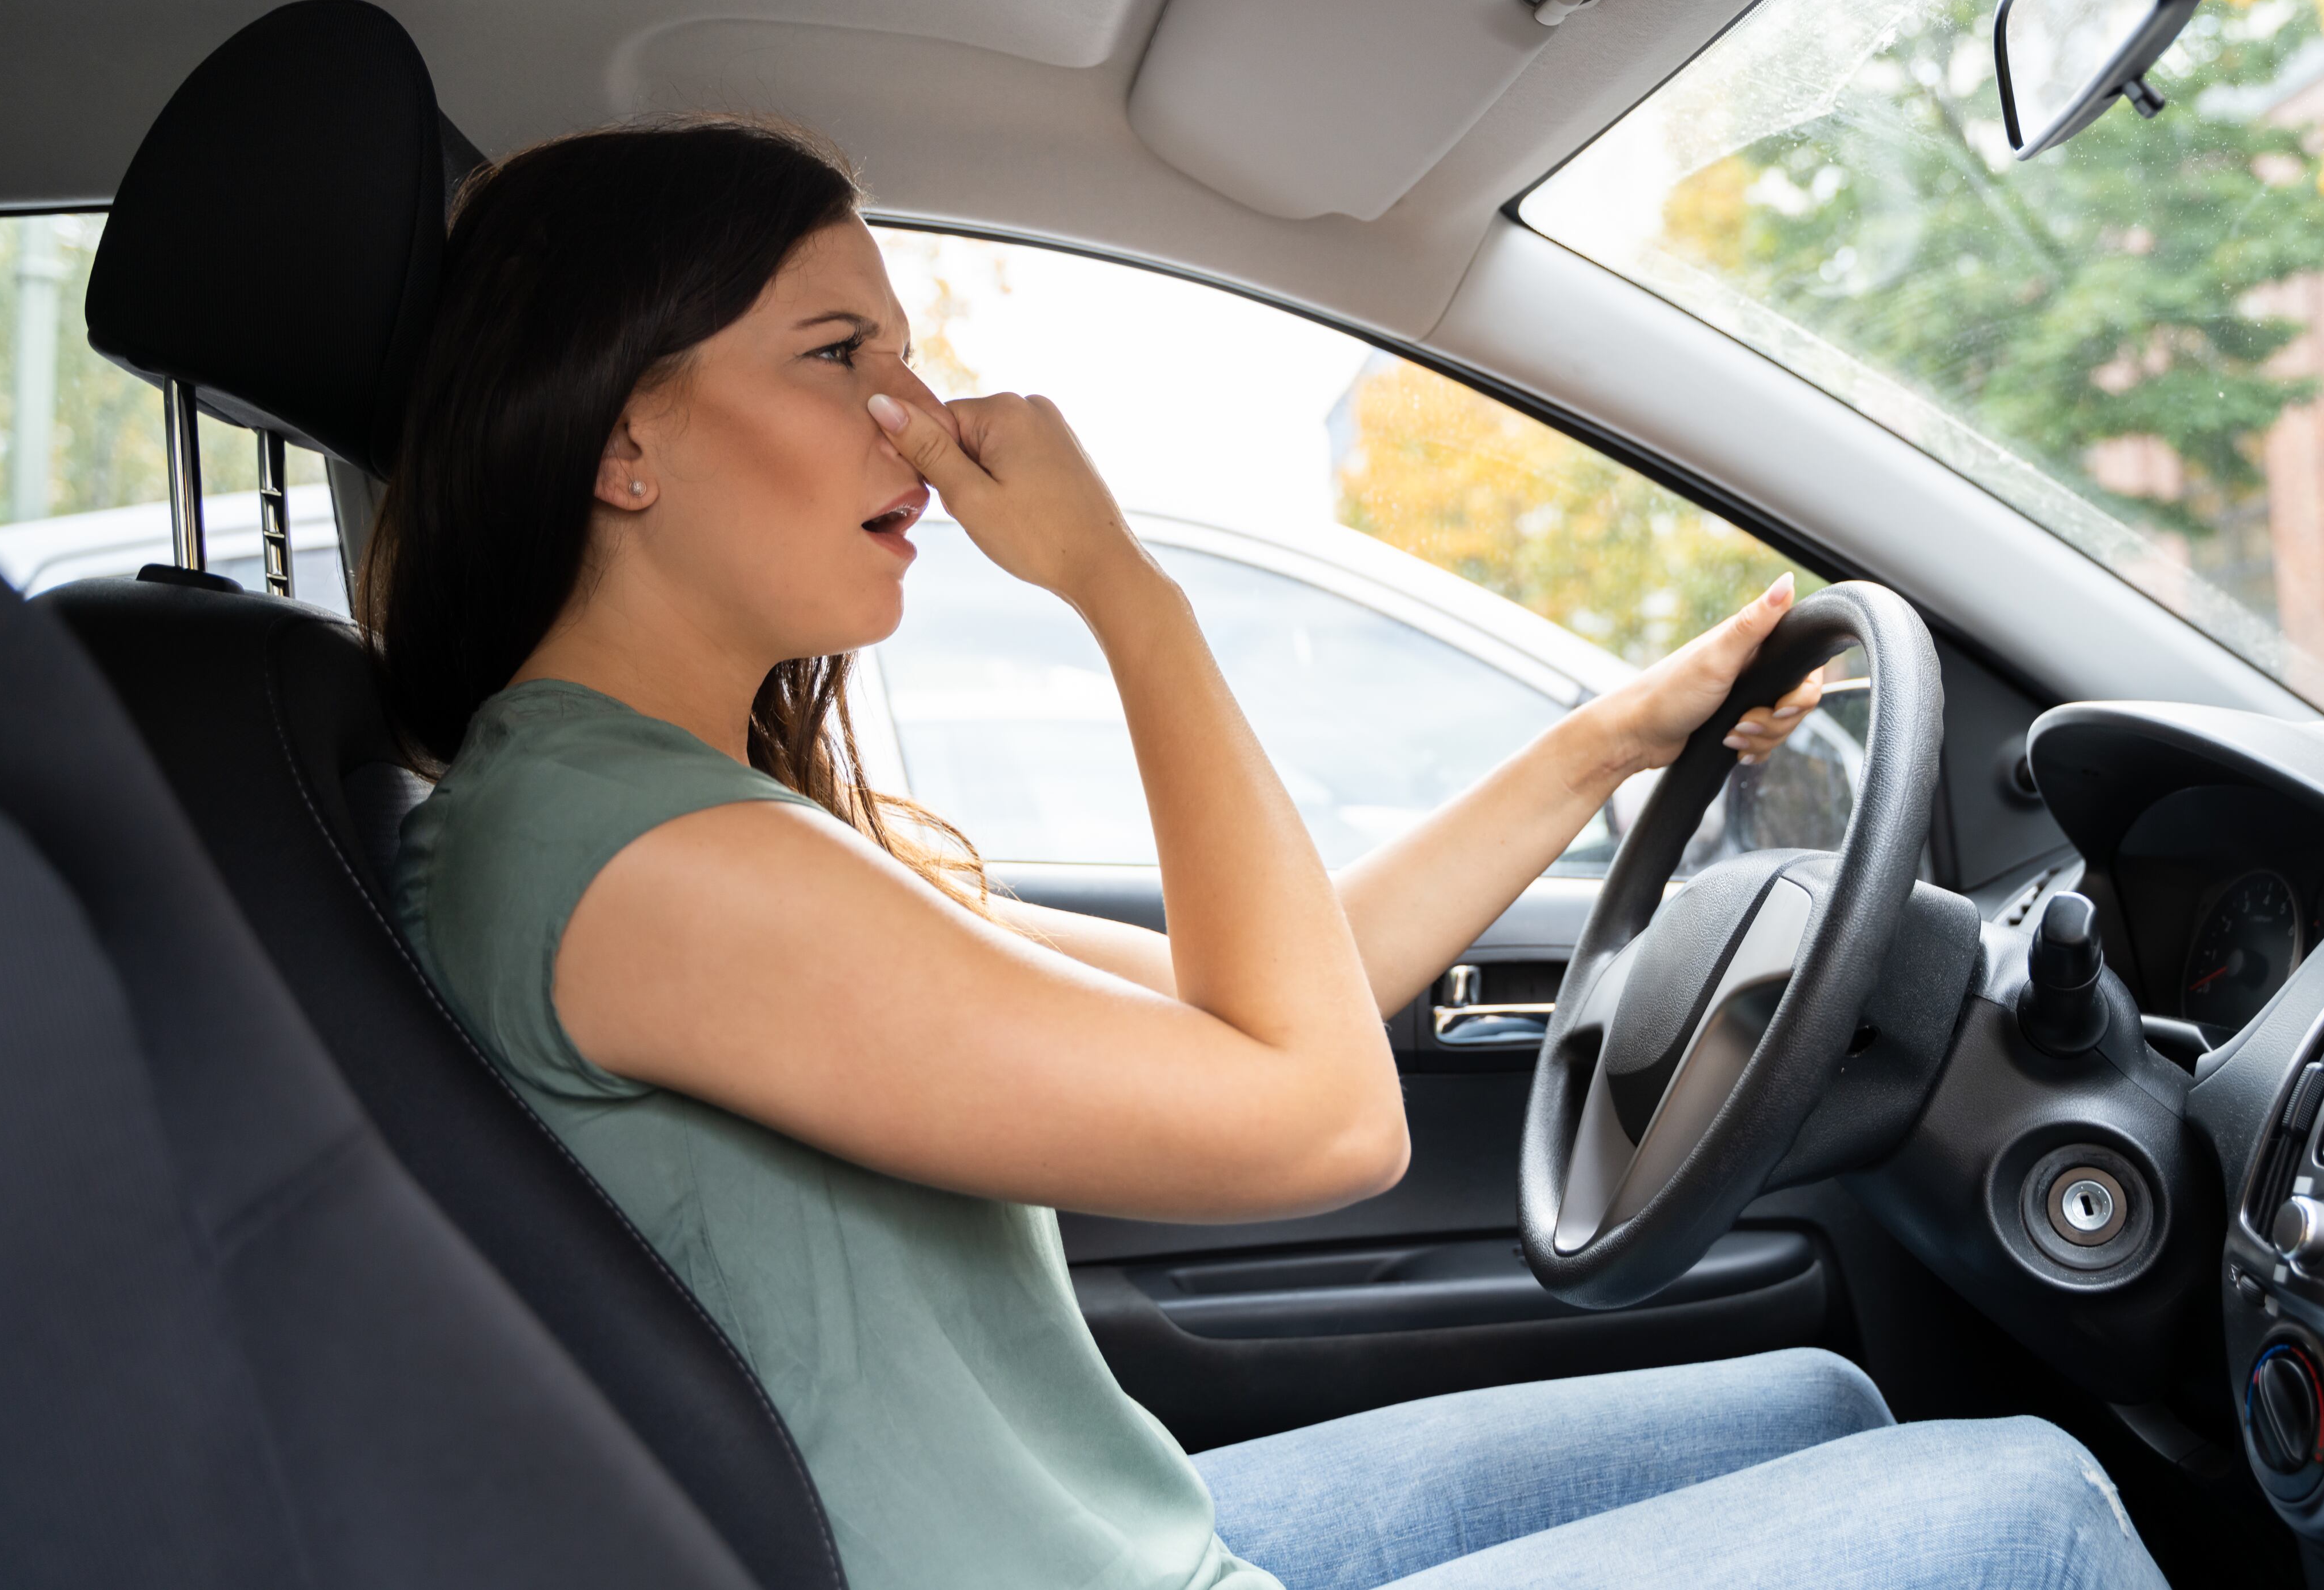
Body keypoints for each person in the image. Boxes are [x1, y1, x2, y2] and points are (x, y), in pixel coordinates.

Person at [375, 117, 2169, 1590]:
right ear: (624, 439)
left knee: (1820, 1406)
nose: (918, 422)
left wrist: (1607, 744)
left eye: (907, 357)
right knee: (2037, 1509)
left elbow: (1277, 998)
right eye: (839, 355)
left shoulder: (654, 816)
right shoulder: (648, 867)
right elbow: (1327, 1114)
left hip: (1109, 1546)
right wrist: (1123, 594)